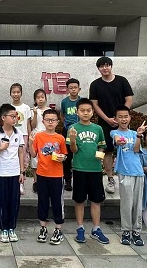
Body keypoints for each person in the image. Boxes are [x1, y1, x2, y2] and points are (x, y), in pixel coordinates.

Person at [89, 56, 134, 194]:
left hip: (123, 123)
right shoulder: (95, 85)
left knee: (126, 149)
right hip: (104, 123)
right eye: (101, 66)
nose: (105, 68)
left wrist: (121, 117)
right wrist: (107, 119)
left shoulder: (122, 81)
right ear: (98, 69)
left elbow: (129, 100)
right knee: (106, 151)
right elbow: (95, 105)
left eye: (107, 65)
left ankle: (126, 176)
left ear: (111, 66)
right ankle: (110, 179)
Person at [67, 98, 109, 245]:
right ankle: (80, 228)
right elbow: (73, 150)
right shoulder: (73, 128)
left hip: (95, 169)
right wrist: (73, 140)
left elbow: (102, 145)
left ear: (92, 112)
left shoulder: (98, 129)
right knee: (79, 200)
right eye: (82, 110)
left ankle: (96, 228)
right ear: (77, 112)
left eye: (88, 110)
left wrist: (100, 154)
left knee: (96, 200)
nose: (85, 113)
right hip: (79, 168)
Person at [111, 106, 147, 246]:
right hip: (125, 172)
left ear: (130, 118)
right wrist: (119, 141)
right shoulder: (114, 132)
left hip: (138, 172)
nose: (123, 119)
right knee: (126, 204)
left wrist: (138, 135)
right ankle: (126, 231)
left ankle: (136, 231)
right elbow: (117, 140)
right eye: (120, 116)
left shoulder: (134, 133)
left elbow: (137, 149)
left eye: (126, 116)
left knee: (137, 204)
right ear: (116, 119)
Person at [31, 109, 67, 245]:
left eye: (53, 120)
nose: (50, 122)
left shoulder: (60, 138)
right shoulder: (39, 137)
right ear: (43, 121)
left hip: (57, 175)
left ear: (57, 122)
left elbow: (64, 154)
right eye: (48, 120)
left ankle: (58, 229)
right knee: (42, 201)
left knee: (57, 202)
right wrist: (30, 142)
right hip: (42, 174)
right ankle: (43, 228)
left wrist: (62, 157)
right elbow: (33, 154)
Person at [0, 103, 26, 243]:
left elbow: (21, 152)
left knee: (14, 201)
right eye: (12, 116)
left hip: (15, 172)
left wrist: (22, 172)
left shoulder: (18, 133)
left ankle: (12, 228)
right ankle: (3, 229)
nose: (15, 118)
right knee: (2, 202)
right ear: (3, 117)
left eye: (15, 116)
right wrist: (1, 148)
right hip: (1, 173)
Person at [10, 83, 32, 196]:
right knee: (13, 158)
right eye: (14, 92)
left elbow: (28, 124)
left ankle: (21, 183)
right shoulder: (8, 107)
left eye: (18, 92)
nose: (16, 94)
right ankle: (13, 182)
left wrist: (29, 137)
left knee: (23, 159)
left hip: (23, 135)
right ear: (10, 94)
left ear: (21, 93)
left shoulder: (26, 108)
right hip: (11, 135)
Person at [60, 78, 81, 191]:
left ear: (79, 89)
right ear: (67, 89)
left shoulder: (82, 101)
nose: (73, 90)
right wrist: (67, 126)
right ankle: (67, 180)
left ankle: (79, 178)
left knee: (79, 153)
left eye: (75, 87)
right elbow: (62, 115)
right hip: (67, 130)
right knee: (67, 156)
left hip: (81, 130)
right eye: (71, 88)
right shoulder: (64, 102)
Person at [29, 88, 48, 193]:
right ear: (35, 100)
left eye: (42, 97)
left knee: (46, 157)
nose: (40, 99)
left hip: (47, 136)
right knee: (35, 159)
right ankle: (36, 181)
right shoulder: (33, 110)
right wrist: (35, 114)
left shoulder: (49, 110)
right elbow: (33, 125)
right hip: (36, 135)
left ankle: (45, 180)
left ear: (45, 98)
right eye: (38, 98)